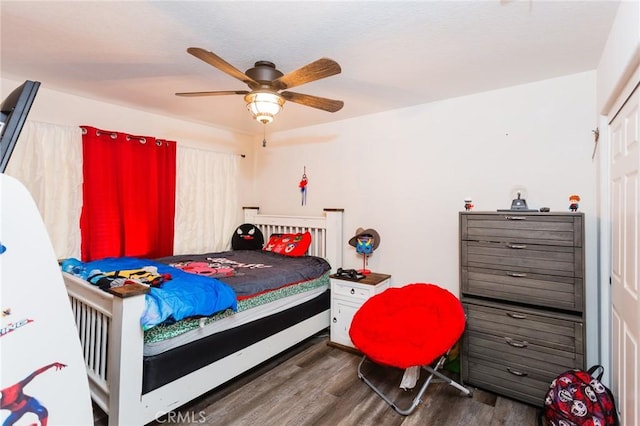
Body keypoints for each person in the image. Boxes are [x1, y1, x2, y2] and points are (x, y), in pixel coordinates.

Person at [0, 362, 66, 426]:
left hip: (29, 403)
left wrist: (53, 364)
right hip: (17, 412)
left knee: (42, 411)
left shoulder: (14, 389)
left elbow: (34, 374)